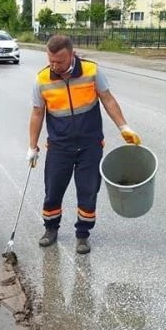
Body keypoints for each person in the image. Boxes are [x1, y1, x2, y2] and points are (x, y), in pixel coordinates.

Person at [27, 34, 141, 254]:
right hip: (59, 146)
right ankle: (51, 228)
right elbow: (37, 113)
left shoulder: (91, 71)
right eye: (51, 60)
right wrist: (32, 147)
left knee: (88, 191)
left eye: (59, 61)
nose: (54, 65)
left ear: (72, 55)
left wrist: (124, 127)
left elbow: (108, 99)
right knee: (53, 190)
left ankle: (82, 235)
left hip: (90, 145)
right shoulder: (42, 79)